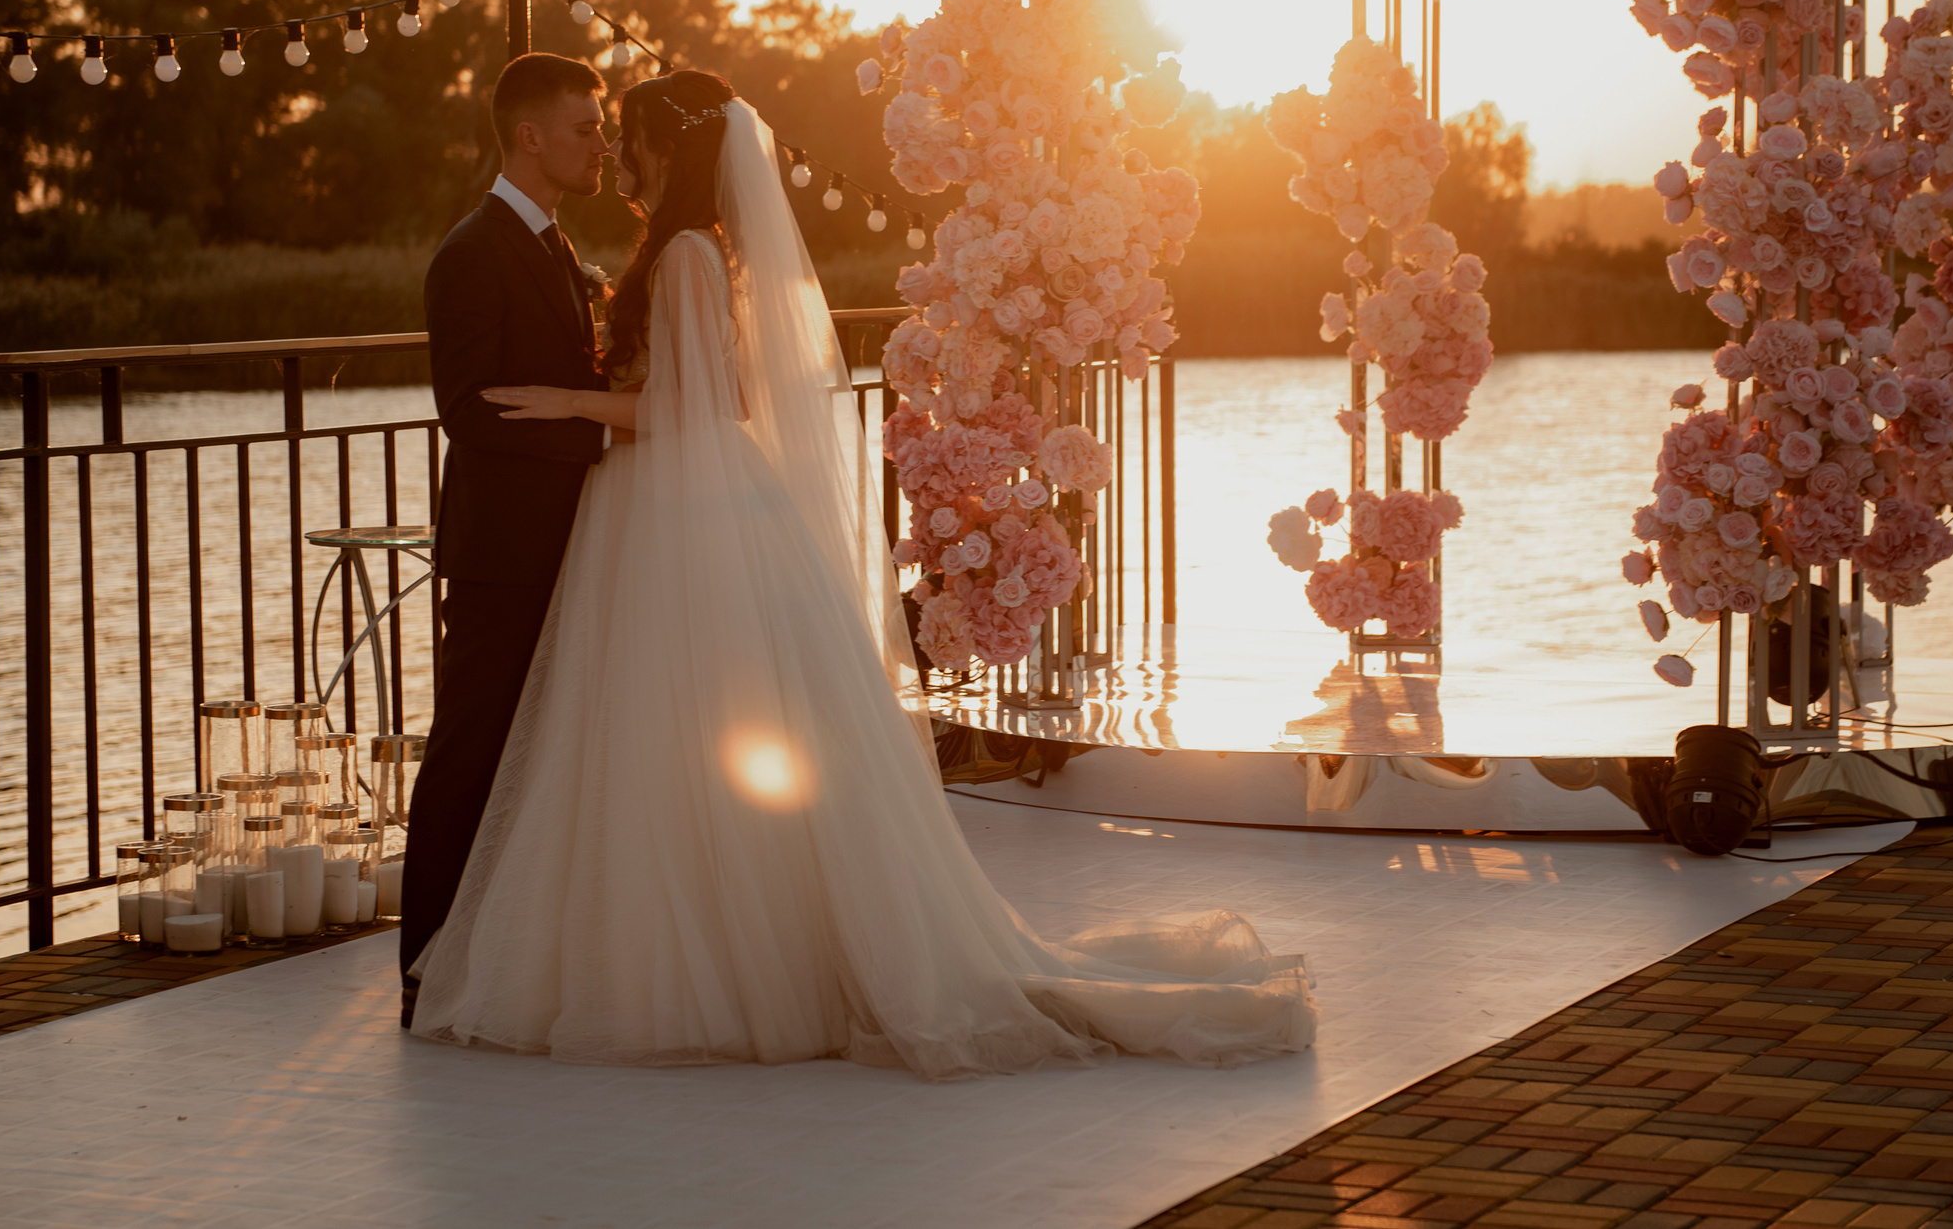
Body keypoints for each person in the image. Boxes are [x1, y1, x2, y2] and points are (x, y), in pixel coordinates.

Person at [411, 69, 1315, 1079]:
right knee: (665, 734)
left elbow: (697, 404)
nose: (612, 154)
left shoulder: (684, 256)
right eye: (593, 132)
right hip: (658, 509)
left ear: (667, 149)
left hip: (668, 504)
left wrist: (570, 403)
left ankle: (704, 956)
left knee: (659, 730)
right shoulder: (694, 249)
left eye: (620, 135)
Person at [403, 53, 614, 1028]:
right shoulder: (472, 250)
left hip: (566, 541)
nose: (598, 143)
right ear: (529, 136)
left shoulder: (559, 248)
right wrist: (602, 429)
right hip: (499, 554)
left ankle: (505, 946)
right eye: (584, 126)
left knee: (541, 751)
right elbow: (470, 408)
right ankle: (425, 961)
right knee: (471, 747)